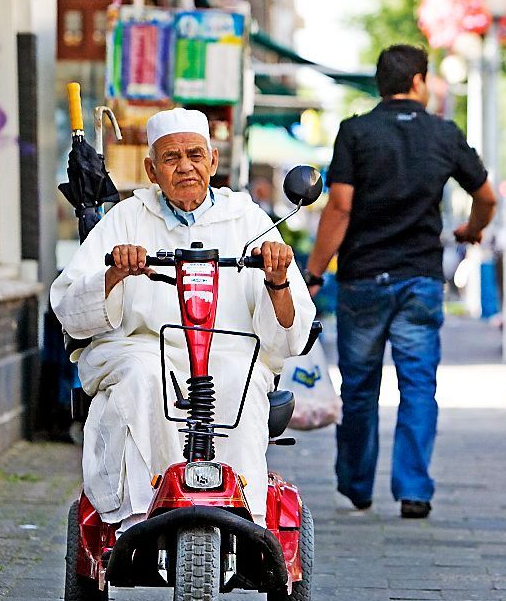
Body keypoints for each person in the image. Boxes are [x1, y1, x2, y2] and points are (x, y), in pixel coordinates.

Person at [51, 108, 316, 531]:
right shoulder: (126, 218)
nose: (186, 166)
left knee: (238, 378)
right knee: (143, 375)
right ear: (151, 171)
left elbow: (290, 334)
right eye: (171, 158)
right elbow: (69, 305)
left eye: (195, 154)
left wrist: (278, 279)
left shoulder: (247, 220)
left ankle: (242, 514)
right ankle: (140, 516)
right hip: (140, 346)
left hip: (228, 348)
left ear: (213, 161)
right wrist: (115, 271)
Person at [305, 44, 497, 519]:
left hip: (363, 279)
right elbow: (487, 196)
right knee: (417, 386)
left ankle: (356, 486)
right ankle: (414, 490)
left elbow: (340, 205)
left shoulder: (356, 131)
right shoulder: (444, 134)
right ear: (418, 81)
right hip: (420, 280)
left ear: (381, 83)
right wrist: (473, 230)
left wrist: (312, 271)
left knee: (360, 387)